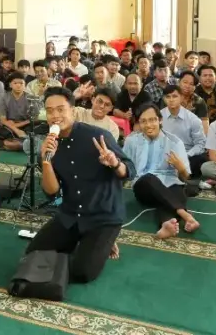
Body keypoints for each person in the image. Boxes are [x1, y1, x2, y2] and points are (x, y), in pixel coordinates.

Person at [24, 87, 132, 283]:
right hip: (71, 214)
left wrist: (115, 163)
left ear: (73, 111)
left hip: (103, 216)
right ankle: (90, 244)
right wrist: (46, 161)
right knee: (33, 254)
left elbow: (129, 171)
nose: (55, 115)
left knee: (82, 273)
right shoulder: (48, 145)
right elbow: (52, 193)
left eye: (60, 109)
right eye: (49, 111)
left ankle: (103, 241)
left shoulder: (99, 136)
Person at [124, 104, 199, 238]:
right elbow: (125, 168)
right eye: (143, 121)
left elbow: (185, 176)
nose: (148, 125)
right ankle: (184, 213)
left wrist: (180, 168)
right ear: (139, 123)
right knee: (149, 178)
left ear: (160, 120)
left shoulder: (175, 142)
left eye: (152, 120)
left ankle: (166, 224)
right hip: (144, 187)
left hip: (169, 184)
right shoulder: (131, 141)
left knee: (176, 187)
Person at [160, 85, 208, 178]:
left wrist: (186, 155)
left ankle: (183, 177)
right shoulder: (158, 116)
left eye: (174, 96)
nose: (171, 100)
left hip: (187, 155)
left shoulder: (193, 119)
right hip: (164, 153)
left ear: (181, 98)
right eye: (168, 97)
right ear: (164, 99)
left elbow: (201, 144)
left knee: (200, 159)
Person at [0, 72, 36, 151]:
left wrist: (18, 125)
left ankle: (9, 143)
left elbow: (34, 118)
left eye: (21, 83)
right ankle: (22, 143)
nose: (18, 85)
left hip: (26, 125)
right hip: (9, 125)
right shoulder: (4, 98)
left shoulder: (31, 98)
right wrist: (16, 129)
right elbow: (2, 119)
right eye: (15, 83)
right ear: (10, 85)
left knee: (37, 129)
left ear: (25, 85)